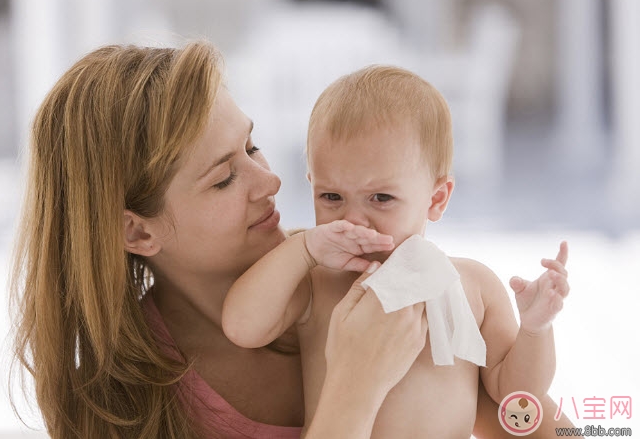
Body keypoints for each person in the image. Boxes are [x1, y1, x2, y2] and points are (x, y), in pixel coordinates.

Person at [9, 40, 575, 438]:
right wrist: (356, 382)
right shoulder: (120, 407)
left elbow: (527, 415)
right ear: (136, 229)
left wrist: (533, 332)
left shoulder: (389, 286)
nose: (273, 181)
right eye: (225, 176)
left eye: (252, 147)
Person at [223, 65, 571, 437]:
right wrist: (304, 248)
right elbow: (242, 326)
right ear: (311, 186)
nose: (354, 219)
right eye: (331, 197)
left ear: (436, 199)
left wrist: (535, 329)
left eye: (382, 198)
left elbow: (517, 395)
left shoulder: (473, 287)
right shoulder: (317, 283)